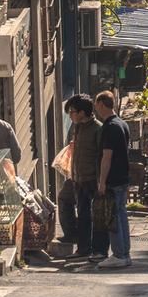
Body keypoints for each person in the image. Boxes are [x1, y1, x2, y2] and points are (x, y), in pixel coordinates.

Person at [94, 90, 134, 268]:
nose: (96, 110)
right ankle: (124, 253)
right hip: (123, 176)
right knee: (121, 214)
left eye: (96, 105)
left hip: (113, 178)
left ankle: (118, 254)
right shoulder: (122, 124)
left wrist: (102, 181)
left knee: (113, 216)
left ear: (102, 104)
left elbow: (106, 156)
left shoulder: (109, 127)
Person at [61, 95, 103, 258]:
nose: (70, 116)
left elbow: (102, 156)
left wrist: (101, 180)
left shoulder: (97, 129)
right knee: (83, 214)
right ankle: (82, 248)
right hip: (77, 178)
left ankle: (97, 249)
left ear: (82, 112)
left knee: (95, 215)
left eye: (72, 112)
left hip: (92, 179)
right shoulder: (77, 127)